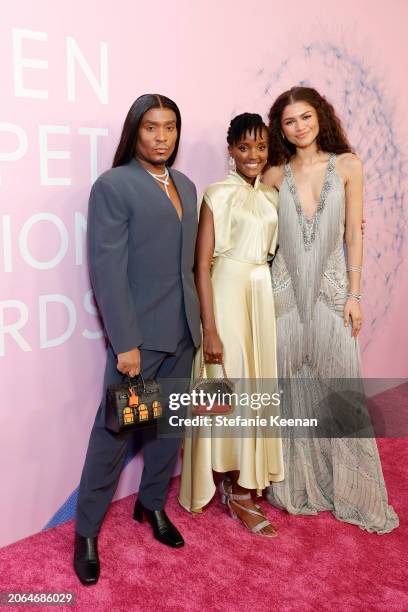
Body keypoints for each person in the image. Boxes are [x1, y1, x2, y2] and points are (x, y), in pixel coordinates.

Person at [74, 94, 201, 585]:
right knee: (114, 435)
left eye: (170, 127)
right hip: (140, 343)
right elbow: (107, 270)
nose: (162, 136)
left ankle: (151, 507)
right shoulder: (114, 185)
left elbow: (190, 267)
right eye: (151, 127)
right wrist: (125, 342)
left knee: (169, 432)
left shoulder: (187, 186)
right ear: (136, 131)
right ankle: (86, 532)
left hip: (182, 336)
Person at [262, 86, 399, 533]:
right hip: (282, 296)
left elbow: (355, 235)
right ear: (279, 129)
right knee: (289, 396)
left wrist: (355, 295)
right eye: (289, 121)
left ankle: (352, 493)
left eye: (305, 117)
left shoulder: (347, 166)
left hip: (333, 293)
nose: (299, 127)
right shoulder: (274, 175)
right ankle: (296, 484)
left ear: (320, 116)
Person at [179, 113, 284, 537]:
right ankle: (229, 487)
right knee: (227, 386)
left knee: (256, 389)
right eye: (244, 147)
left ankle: (243, 485)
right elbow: (201, 267)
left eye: (260, 147)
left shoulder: (273, 197)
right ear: (231, 150)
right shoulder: (216, 194)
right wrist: (210, 328)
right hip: (225, 294)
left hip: (260, 296)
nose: (253, 155)